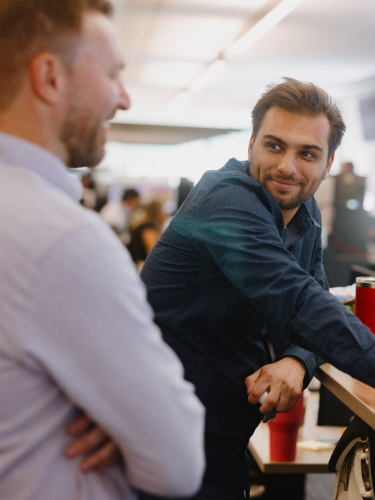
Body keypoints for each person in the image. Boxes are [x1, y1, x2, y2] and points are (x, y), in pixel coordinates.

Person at [140, 77, 375, 499]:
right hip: (153, 431)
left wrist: (296, 358)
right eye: (274, 146)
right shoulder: (226, 201)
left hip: (216, 437)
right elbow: (301, 303)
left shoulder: (303, 209)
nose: (287, 167)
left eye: (307, 153)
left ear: (328, 164)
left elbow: (316, 300)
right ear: (252, 142)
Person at [0, 1, 204, 499]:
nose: (124, 98)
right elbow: (178, 465)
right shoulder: (63, 241)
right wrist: (125, 426)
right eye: (113, 73)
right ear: (49, 77)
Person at [127, 200, 167, 266]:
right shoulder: (148, 228)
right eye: (163, 210)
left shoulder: (150, 226)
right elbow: (154, 252)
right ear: (158, 212)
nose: (166, 213)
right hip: (137, 264)